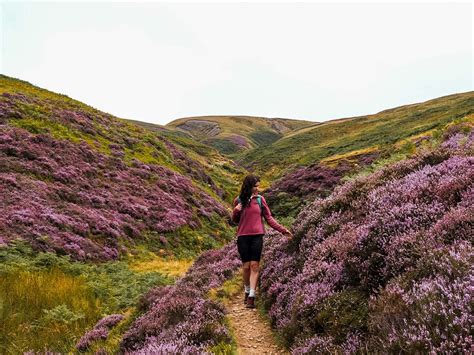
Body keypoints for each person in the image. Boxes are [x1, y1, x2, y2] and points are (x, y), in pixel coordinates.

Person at [231, 174, 293, 309]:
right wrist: (235, 211)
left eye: (259, 186)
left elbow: (269, 219)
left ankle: (252, 296)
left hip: (257, 236)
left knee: (254, 266)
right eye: (256, 186)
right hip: (242, 237)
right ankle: (247, 290)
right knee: (246, 267)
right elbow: (235, 221)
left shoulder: (260, 200)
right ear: (249, 186)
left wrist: (283, 230)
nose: (258, 189)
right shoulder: (238, 200)